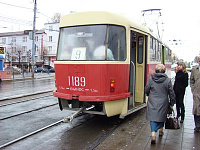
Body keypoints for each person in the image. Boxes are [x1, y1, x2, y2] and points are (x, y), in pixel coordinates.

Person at [145, 64, 175, 144]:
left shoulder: (151, 79)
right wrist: (172, 103)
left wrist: (148, 94)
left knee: (153, 118)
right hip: (163, 102)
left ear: (156, 70)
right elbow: (171, 93)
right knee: (162, 116)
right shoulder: (167, 80)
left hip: (152, 101)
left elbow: (147, 89)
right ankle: (161, 130)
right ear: (164, 71)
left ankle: (153, 134)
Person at [190, 56, 200, 132]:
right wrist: (193, 89)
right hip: (197, 92)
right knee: (196, 109)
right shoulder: (194, 69)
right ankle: (197, 125)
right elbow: (191, 80)